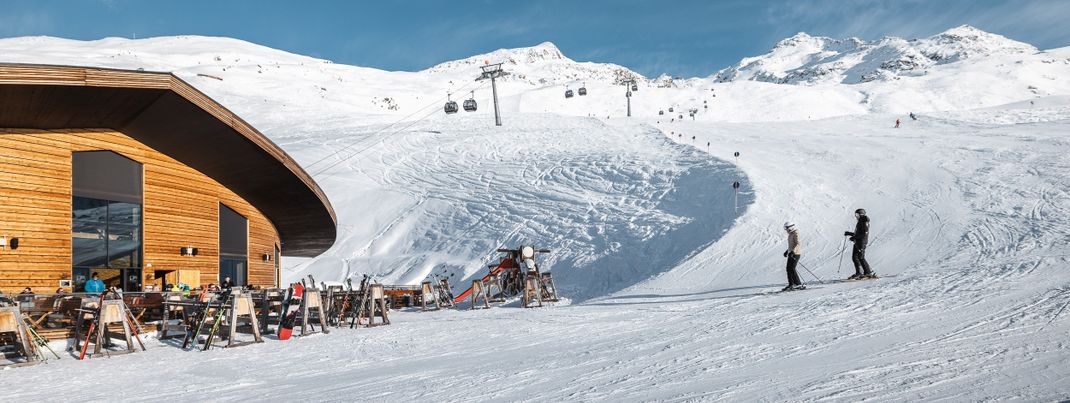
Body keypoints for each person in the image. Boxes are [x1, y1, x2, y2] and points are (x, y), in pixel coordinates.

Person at [844, 208, 876, 280]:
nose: (856, 216)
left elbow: (864, 234)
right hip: (858, 242)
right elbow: (858, 233)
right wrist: (849, 234)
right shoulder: (860, 221)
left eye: (857, 214)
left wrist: (854, 237)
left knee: (861, 257)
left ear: (861, 214)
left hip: (861, 242)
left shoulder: (864, 222)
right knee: (855, 257)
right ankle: (859, 272)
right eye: (856, 214)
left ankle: (868, 272)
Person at [782, 222, 805, 291]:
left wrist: (793, 251)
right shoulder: (791, 234)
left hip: (796, 254)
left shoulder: (796, 233)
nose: (786, 230)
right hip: (791, 253)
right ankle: (791, 284)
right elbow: (791, 245)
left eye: (787, 229)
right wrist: (787, 251)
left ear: (790, 227)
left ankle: (798, 284)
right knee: (788, 269)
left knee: (792, 268)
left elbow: (797, 243)